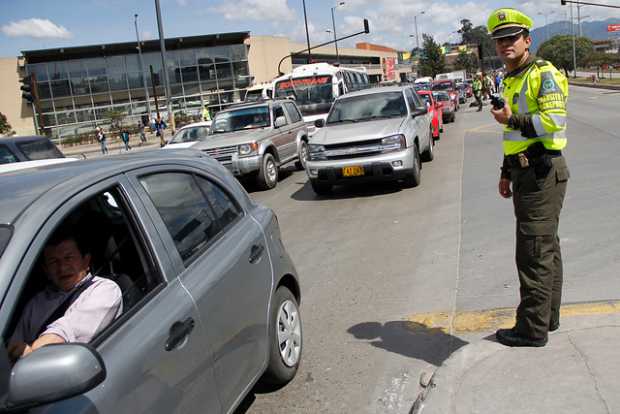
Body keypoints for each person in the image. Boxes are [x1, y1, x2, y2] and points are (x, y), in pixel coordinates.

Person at [488, 8, 569, 347]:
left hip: (542, 172)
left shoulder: (542, 73)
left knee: (533, 250)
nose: (506, 43)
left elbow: (554, 121)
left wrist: (512, 119)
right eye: (500, 39)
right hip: (524, 172)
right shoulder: (511, 79)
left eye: (512, 37)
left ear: (527, 40)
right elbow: (515, 137)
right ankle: (546, 318)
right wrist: (506, 171)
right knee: (545, 245)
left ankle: (532, 329)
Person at [8, 232, 122, 362]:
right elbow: (14, 346)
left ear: (86, 261)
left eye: (69, 258)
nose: (62, 268)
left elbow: (67, 330)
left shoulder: (104, 290)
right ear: (46, 271)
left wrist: (33, 353)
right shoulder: (36, 303)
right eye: (54, 262)